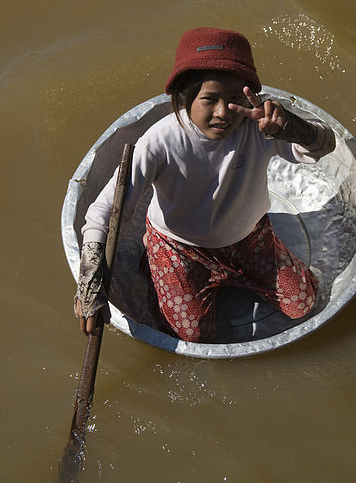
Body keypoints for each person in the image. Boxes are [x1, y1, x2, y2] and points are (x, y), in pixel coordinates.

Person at [74, 27, 336, 341]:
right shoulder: (160, 142)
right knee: (194, 335)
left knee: (304, 302)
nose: (223, 112)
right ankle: (151, 250)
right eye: (209, 100)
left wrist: (288, 127)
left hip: (249, 237)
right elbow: (103, 214)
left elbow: (324, 145)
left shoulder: (258, 125)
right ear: (185, 99)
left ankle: (224, 273)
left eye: (236, 99)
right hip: (178, 247)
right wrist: (91, 285)